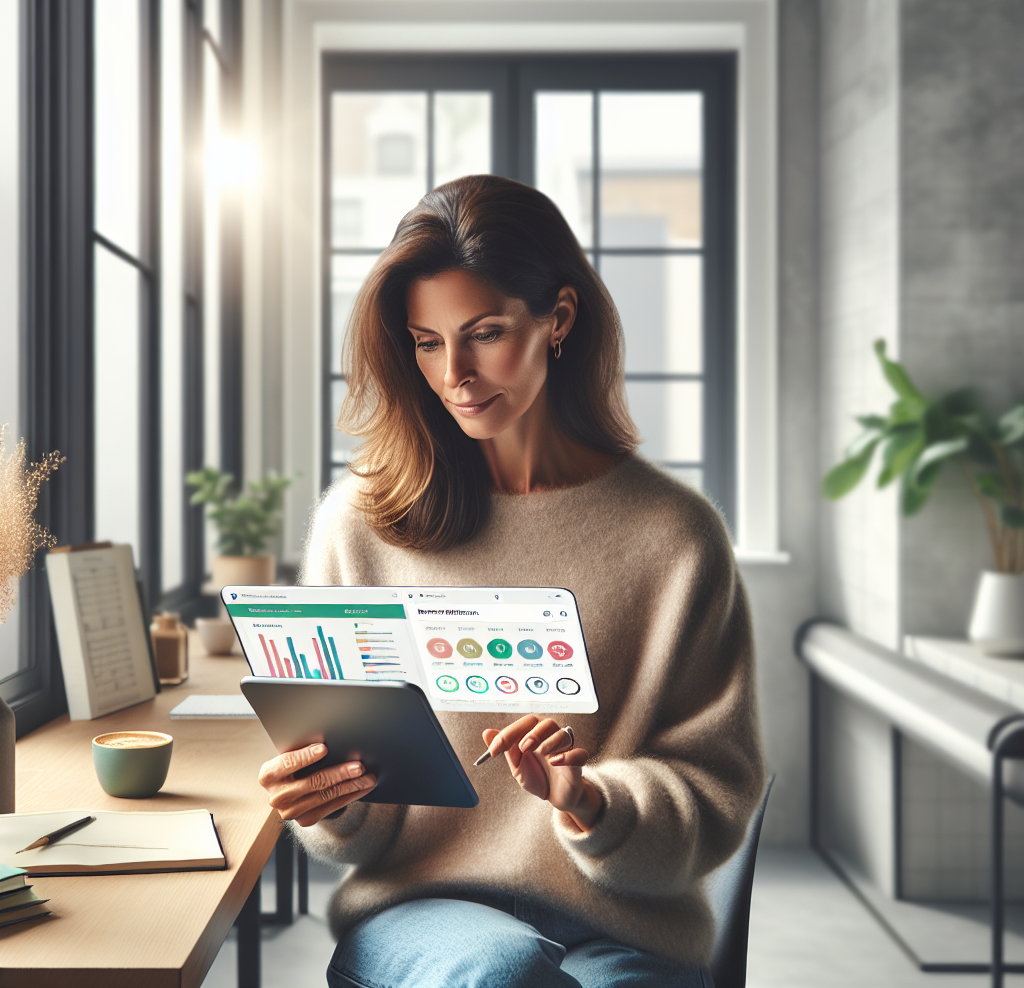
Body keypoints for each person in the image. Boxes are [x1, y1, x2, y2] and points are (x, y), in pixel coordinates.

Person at [257, 175, 765, 988]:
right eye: (426, 342)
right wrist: (331, 797)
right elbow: (351, 812)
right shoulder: (361, 521)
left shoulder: (675, 536)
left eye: (484, 333)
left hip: (629, 929)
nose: (454, 372)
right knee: (500, 971)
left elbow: (716, 789)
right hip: (424, 916)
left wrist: (589, 800)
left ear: (558, 319)